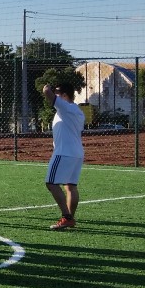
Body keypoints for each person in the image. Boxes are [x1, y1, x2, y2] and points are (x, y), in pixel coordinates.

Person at [43, 83, 85, 230]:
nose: (56, 95)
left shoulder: (65, 107)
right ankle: (70, 218)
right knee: (71, 187)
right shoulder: (76, 110)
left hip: (63, 152)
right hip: (76, 153)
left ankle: (66, 216)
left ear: (65, 95)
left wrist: (47, 87)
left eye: (58, 93)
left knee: (51, 183)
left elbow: (47, 93)